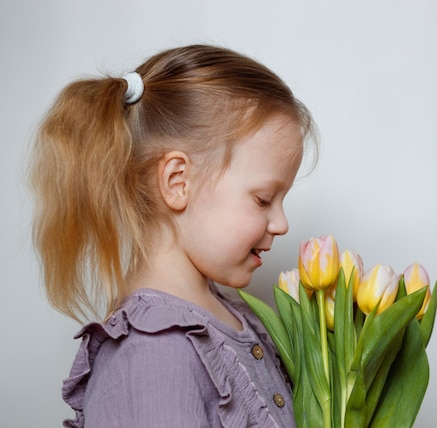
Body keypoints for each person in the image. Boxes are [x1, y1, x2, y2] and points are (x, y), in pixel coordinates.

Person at [29, 44, 316, 427]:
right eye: (264, 199)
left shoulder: (230, 315)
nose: (281, 223)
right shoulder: (153, 356)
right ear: (177, 181)